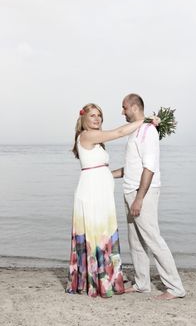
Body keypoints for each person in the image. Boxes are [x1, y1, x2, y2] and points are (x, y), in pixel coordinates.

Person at [66, 103, 145, 298]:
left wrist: (128, 172)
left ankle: (104, 277)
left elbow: (102, 170)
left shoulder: (96, 140)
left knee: (103, 232)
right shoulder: (87, 135)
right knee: (97, 233)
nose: (97, 119)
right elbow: (119, 132)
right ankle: (99, 282)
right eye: (92, 115)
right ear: (84, 119)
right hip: (92, 192)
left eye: (99, 115)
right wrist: (144, 120)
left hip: (99, 189)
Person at [112, 94, 186, 300]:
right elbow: (133, 167)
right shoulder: (135, 131)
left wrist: (139, 198)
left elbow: (149, 168)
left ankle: (175, 287)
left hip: (142, 193)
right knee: (135, 242)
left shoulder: (149, 131)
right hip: (130, 190)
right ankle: (142, 283)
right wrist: (107, 174)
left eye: (124, 107)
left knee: (153, 239)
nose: (122, 111)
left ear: (134, 107)